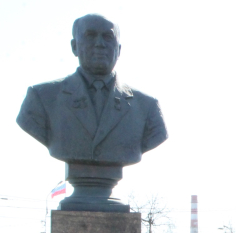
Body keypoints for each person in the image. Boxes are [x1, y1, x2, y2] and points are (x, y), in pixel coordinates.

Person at [17, 14, 167, 209]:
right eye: (90, 35)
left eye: (108, 37)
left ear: (119, 49)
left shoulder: (147, 108)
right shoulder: (41, 99)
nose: (100, 44)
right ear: (74, 47)